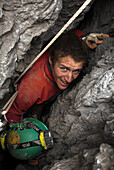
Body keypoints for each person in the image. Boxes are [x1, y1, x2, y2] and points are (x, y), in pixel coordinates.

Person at [5, 30, 109, 166]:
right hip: (33, 103)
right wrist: (26, 146)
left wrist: (85, 40)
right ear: (51, 60)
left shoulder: (66, 50)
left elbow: (72, 35)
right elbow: (12, 114)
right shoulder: (31, 88)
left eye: (76, 71)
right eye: (64, 69)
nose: (69, 78)